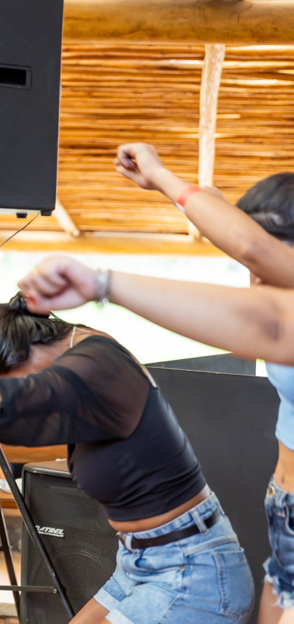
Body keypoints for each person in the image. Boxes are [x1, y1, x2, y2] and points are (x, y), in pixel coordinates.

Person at [0, 281, 255, 623]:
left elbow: (15, 394)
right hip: (140, 561)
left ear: (22, 356)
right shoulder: (61, 348)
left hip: (191, 571)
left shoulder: (99, 365)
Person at [24, 143, 294, 624]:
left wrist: (102, 283)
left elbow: (251, 249)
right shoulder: (274, 297)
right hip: (283, 506)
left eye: (258, 265)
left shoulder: (279, 316)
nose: (251, 277)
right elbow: (241, 236)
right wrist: (162, 177)